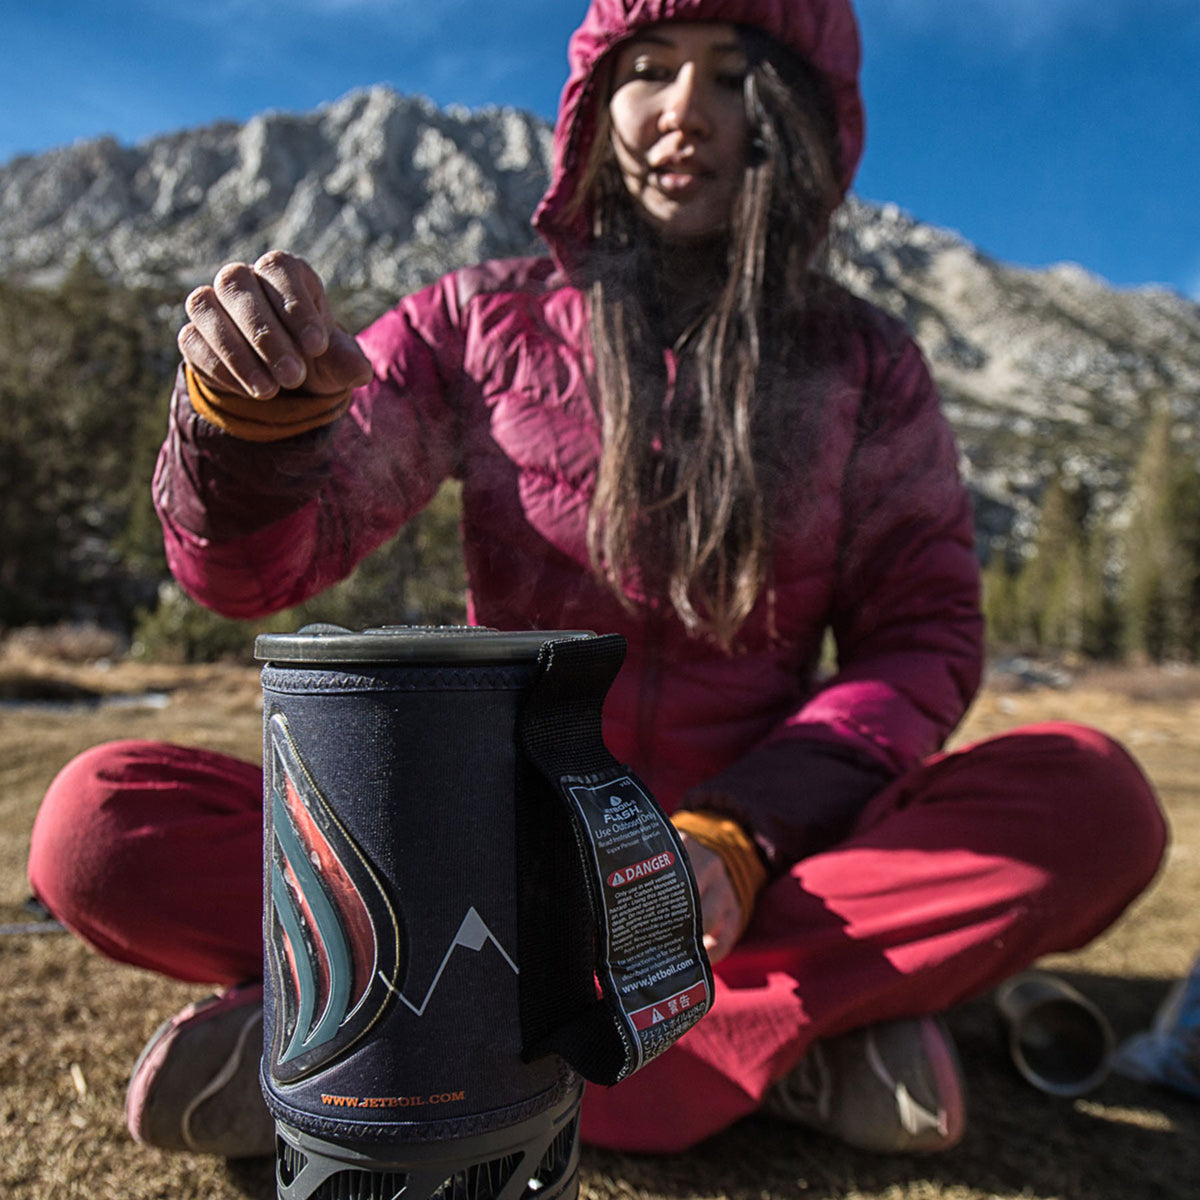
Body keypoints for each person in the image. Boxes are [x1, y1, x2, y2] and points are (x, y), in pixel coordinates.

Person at [29, 0, 1167, 1163]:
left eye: (733, 77)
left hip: (758, 871)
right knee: (99, 822)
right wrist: (251, 437)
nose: (685, 112)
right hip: (487, 856)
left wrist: (739, 830)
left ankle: (398, 1042)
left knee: (1095, 799)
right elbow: (255, 574)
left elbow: (919, 644)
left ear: (801, 121)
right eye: (651, 71)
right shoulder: (475, 321)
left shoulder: (867, 364)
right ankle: (774, 1045)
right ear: (594, 107)